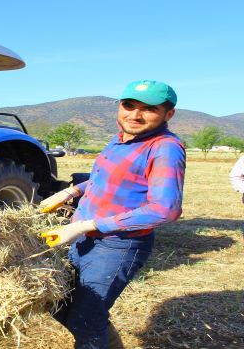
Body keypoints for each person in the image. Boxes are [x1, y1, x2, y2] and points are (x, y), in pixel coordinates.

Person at [38, 80, 186, 349]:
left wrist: (87, 225)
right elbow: (106, 179)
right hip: (85, 237)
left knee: (86, 319)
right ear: (119, 105)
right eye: (128, 105)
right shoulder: (120, 140)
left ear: (168, 114)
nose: (134, 115)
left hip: (117, 245)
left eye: (148, 109)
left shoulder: (164, 148)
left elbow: (165, 209)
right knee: (61, 303)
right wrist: (70, 193)